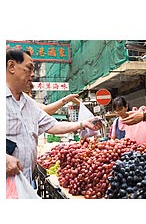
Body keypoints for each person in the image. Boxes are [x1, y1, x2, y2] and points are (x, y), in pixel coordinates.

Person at [6, 48, 103, 184]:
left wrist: (82, 124)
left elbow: (53, 125)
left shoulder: (29, 104)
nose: (33, 75)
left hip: (24, 182)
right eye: (29, 68)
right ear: (11, 67)